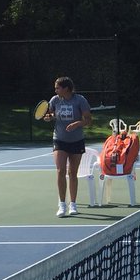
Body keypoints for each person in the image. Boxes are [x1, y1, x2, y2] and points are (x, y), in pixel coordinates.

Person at [44, 77, 92, 217]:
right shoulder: (55, 100)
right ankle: (62, 205)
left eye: (58, 87)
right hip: (59, 139)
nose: (55, 90)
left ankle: (73, 204)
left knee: (72, 173)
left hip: (76, 140)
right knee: (60, 171)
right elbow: (51, 114)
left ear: (66, 88)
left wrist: (77, 124)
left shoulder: (80, 100)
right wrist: (49, 117)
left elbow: (89, 121)